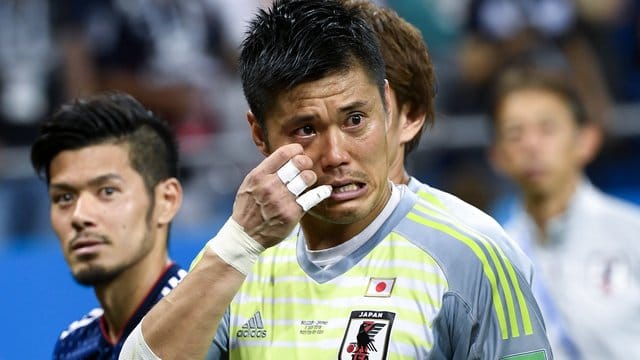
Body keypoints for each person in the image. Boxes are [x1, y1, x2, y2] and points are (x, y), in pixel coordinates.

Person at [121, 1, 552, 358]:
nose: (336, 155)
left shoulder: (474, 253)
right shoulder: (239, 258)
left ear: (387, 105)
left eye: (355, 119)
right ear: (259, 134)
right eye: (306, 129)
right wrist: (240, 243)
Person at [343, 0, 534, 283]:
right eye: (310, 125)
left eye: (356, 117)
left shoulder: (484, 253)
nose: (334, 147)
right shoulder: (270, 250)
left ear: (411, 116)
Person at [488, 67, 640, 359]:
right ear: (497, 156)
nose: (531, 145)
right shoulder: (495, 256)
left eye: (547, 129)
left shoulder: (632, 233)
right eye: (514, 133)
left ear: (586, 141)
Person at [30, 92, 187, 359]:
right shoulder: (73, 345)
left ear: (166, 200)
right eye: (64, 197)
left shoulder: (210, 323)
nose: (80, 216)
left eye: (107, 191)